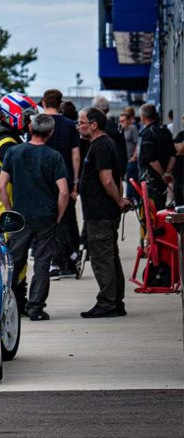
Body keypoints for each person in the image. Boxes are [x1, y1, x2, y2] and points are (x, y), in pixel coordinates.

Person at [0, 113, 69, 320]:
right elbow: (63, 192)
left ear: (30, 129)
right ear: (51, 132)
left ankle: (5, 303)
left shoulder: (13, 152)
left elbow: (1, 186)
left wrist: (10, 211)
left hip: (21, 218)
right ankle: (35, 308)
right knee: (42, 263)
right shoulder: (54, 156)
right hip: (46, 217)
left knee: (13, 263)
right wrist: (59, 214)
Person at [77, 107, 132, 318]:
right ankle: (115, 301)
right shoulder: (105, 144)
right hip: (102, 211)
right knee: (110, 256)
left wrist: (119, 201)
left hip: (100, 213)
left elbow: (107, 179)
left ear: (93, 124)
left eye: (82, 122)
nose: (79, 126)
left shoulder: (101, 146)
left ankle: (108, 303)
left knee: (102, 258)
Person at [40, 89, 81, 279]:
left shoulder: (38, 123)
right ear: (59, 103)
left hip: (44, 180)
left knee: (49, 222)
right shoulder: (70, 125)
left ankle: (56, 262)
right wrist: (75, 182)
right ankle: (71, 258)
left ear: (43, 102)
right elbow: (75, 155)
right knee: (66, 219)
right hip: (65, 178)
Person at [0, 92, 37, 219]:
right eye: (26, 117)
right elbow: (22, 178)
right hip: (4, 205)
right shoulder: (8, 143)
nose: (28, 122)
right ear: (14, 114)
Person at [136, 103, 176, 210]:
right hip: (162, 181)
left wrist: (163, 174)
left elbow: (151, 159)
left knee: (150, 213)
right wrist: (167, 173)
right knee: (161, 208)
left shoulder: (148, 133)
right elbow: (173, 155)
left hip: (150, 181)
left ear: (143, 117)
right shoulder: (165, 131)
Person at [92, 96, 126, 179]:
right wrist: (122, 173)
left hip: (93, 172)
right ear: (108, 110)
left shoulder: (90, 127)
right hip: (113, 171)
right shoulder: (117, 128)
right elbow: (122, 152)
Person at [120, 109, 140, 204]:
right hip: (125, 159)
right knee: (130, 180)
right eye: (120, 121)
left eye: (123, 120)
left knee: (130, 180)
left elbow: (137, 143)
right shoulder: (121, 130)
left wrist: (134, 156)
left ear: (128, 120)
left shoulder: (133, 128)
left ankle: (130, 200)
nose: (121, 123)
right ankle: (133, 199)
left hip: (131, 159)